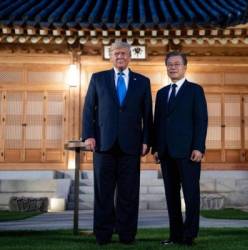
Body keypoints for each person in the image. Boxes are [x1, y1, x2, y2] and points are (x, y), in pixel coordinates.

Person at [82, 41, 153, 245]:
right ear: (110, 56)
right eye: (116, 54)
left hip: (131, 145)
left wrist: (146, 140)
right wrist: (88, 135)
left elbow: (147, 114)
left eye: (123, 53)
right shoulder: (98, 78)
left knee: (128, 193)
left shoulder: (142, 81)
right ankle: (102, 234)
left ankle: (127, 234)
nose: (120, 57)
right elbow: (88, 109)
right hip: (103, 144)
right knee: (103, 193)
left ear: (130, 56)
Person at [153, 51, 208, 246]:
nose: (173, 67)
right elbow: (157, 123)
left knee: (191, 195)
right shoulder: (161, 94)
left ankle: (189, 234)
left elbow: (201, 121)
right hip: (166, 153)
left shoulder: (195, 90)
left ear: (185, 67)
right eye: (169, 64)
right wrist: (157, 149)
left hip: (188, 152)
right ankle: (175, 235)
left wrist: (198, 147)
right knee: (171, 196)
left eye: (177, 64)